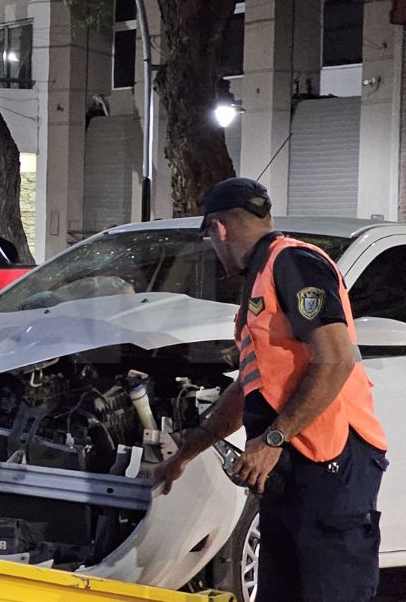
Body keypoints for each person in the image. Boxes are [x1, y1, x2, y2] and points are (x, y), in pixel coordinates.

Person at [154, 177, 387, 602]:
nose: (212, 246)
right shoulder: (259, 279)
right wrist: (186, 453)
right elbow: (252, 387)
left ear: (219, 228)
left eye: (209, 236)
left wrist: (273, 439)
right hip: (291, 471)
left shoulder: (293, 263)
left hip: (332, 462)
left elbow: (336, 358)